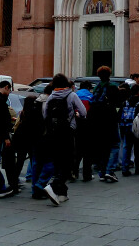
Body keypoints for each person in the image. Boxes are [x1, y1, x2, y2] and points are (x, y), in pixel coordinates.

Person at [42, 73, 87, 205]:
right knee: (68, 162)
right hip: (68, 131)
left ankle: (62, 194)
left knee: (57, 161)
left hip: (53, 133)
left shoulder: (51, 97)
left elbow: (45, 116)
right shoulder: (71, 95)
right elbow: (83, 112)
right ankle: (54, 185)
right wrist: (76, 115)